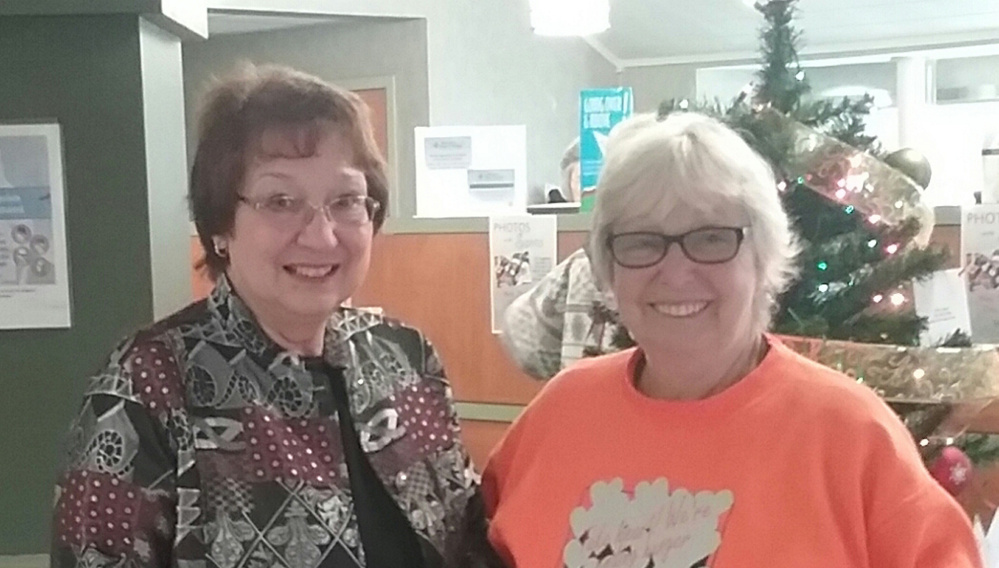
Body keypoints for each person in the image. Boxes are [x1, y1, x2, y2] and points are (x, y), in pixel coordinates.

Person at [483, 112, 981, 567]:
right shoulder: (559, 415)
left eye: (711, 238)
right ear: (609, 268)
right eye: (641, 241)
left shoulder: (850, 435)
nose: (675, 272)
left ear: (763, 257)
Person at [52, 64, 476, 568]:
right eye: (281, 201)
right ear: (219, 227)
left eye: (345, 201)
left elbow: (470, 542)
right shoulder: (145, 386)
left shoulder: (405, 357)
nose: (321, 236)